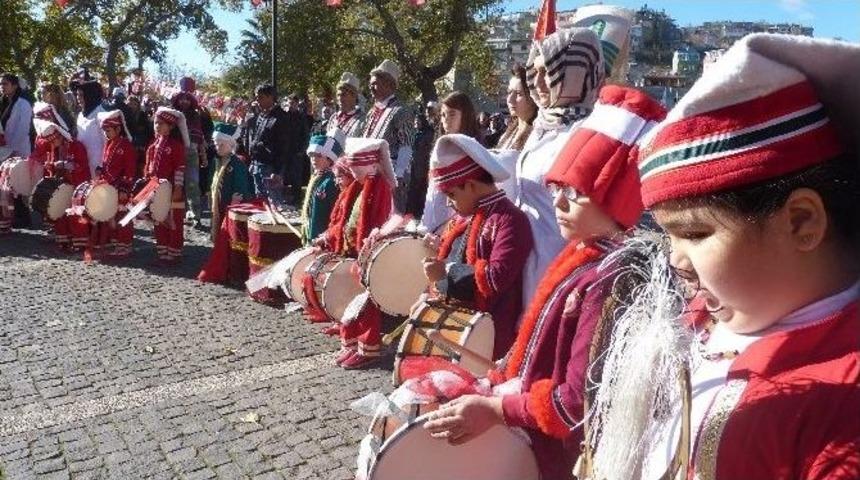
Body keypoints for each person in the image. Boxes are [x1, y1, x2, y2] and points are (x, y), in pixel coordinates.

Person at [586, 34, 860, 480]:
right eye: (668, 236)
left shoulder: (844, 401)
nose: (675, 260)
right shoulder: (705, 318)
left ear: (801, 222)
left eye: (694, 232)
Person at [357, 87, 664, 480]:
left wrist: (498, 408)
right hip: (528, 411)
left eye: (576, 193)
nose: (559, 203)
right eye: (556, 189)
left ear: (615, 201)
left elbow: (575, 405)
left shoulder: (608, 279)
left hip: (554, 451)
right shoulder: (582, 255)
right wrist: (498, 378)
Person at [515, 27, 605, 309]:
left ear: (575, 73)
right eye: (536, 72)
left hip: (559, 266)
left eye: (549, 72)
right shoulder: (543, 126)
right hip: (523, 260)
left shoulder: (590, 133)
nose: (538, 82)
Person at [421, 134, 534, 358]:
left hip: (490, 334)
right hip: (460, 327)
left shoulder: (509, 219)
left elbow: (497, 277)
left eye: (451, 194)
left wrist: (446, 270)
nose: (448, 203)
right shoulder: (468, 218)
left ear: (471, 185)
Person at [320, 138, 395, 369]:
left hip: (368, 252)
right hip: (355, 249)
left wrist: (367, 248)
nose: (351, 172)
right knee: (352, 299)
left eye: (354, 168)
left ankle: (368, 347)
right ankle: (352, 343)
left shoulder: (379, 186)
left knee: (366, 304)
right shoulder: (362, 185)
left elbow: (379, 219)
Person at [420, 91, 483, 232]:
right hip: (432, 215)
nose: (446, 119)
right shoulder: (439, 146)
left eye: (452, 114)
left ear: (465, 116)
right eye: (443, 115)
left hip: (455, 221)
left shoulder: (473, 149)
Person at [237, 84, 306, 206]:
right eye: (257, 97)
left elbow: (284, 146)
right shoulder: (261, 115)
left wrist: (278, 171)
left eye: (261, 97)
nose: (257, 100)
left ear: (271, 97)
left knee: (275, 202)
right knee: (261, 201)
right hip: (257, 164)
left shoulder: (281, 117)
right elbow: (255, 138)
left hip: (271, 167)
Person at [361, 60, 414, 214]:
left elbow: (407, 146)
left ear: (389, 84)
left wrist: (397, 176)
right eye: (371, 83)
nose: (371, 87)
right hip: (369, 175)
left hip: (389, 178)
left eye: (375, 83)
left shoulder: (401, 111)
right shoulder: (372, 112)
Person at [33, 119, 91, 251]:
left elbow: (82, 165)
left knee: (75, 214)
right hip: (63, 185)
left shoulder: (76, 146)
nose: (52, 144)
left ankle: (80, 242)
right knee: (59, 210)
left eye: (53, 141)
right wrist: (51, 166)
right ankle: (64, 240)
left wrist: (65, 165)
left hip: (78, 185)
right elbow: (53, 168)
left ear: (59, 135)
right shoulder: (56, 148)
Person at [89, 109, 137, 258]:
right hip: (109, 187)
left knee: (122, 216)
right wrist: (99, 171)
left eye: (108, 130)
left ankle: (125, 245)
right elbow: (106, 165)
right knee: (110, 216)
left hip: (121, 187)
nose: (106, 133)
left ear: (118, 129)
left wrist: (124, 188)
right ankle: (114, 243)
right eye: (104, 131)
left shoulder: (126, 145)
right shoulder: (108, 144)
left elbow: (130, 169)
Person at [144, 107, 188, 265]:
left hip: (172, 189)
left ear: (171, 126)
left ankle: (174, 253)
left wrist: (177, 187)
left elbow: (180, 168)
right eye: (156, 122)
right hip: (156, 189)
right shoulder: (152, 146)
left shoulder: (176, 146)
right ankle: (162, 251)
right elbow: (148, 168)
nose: (157, 126)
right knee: (158, 219)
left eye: (161, 123)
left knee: (173, 221)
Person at [208, 122, 253, 241]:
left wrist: (237, 198)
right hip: (218, 201)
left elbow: (241, 182)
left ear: (231, 144)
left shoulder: (236, 164)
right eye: (216, 144)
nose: (218, 147)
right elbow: (212, 178)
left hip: (230, 201)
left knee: (228, 229)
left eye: (221, 145)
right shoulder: (216, 161)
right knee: (217, 224)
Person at [301, 129, 345, 245]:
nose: (314, 159)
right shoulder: (316, 177)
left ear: (330, 159)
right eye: (311, 156)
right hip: (311, 234)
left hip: (322, 238)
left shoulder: (332, 181)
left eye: (319, 156)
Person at [171, 90, 206, 228]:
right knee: (175, 183)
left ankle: (195, 214)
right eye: (181, 99)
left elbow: (198, 135)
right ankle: (176, 212)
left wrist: (199, 152)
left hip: (191, 153)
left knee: (192, 184)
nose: (184, 101)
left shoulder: (195, 115)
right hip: (174, 152)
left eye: (187, 99)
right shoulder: (172, 114)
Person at [496, 65, 537, 152]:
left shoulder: (538, 135)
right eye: (509, 92)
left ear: (534, 97)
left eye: (519, 93)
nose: (510, 100)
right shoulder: (510, 131)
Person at [72, 77, 106, 177]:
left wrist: (101, 165)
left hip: (97, 166)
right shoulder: (80, 115)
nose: (78, 98)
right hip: (82, 164)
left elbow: (107, 142)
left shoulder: (101, 114)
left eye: (81, 95)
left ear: (90, 96)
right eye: (77, 95)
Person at [404, 114, 434, 219]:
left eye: (418, 122)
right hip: (414, 165)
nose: (416, 124)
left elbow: (427, 151)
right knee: (413, 188)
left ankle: (420, 212)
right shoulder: (415, 134)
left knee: (421, 188)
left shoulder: (428, 134)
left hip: (423, 165)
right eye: (415, 122)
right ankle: (411, 211)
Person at [0, 73, 33, 158]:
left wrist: (12, 151)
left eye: (5, 84)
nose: (2, 86)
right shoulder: (2, 103)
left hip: (18, 151)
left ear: (15, 86)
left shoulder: (23, 104)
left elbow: (23, 129)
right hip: (2, 150)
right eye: (1, 84)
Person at [326, 72, 364, 137]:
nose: (340, 98)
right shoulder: (333, 117)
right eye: (338, 95)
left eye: (344, 95)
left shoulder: (362, 119)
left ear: (354, 96)